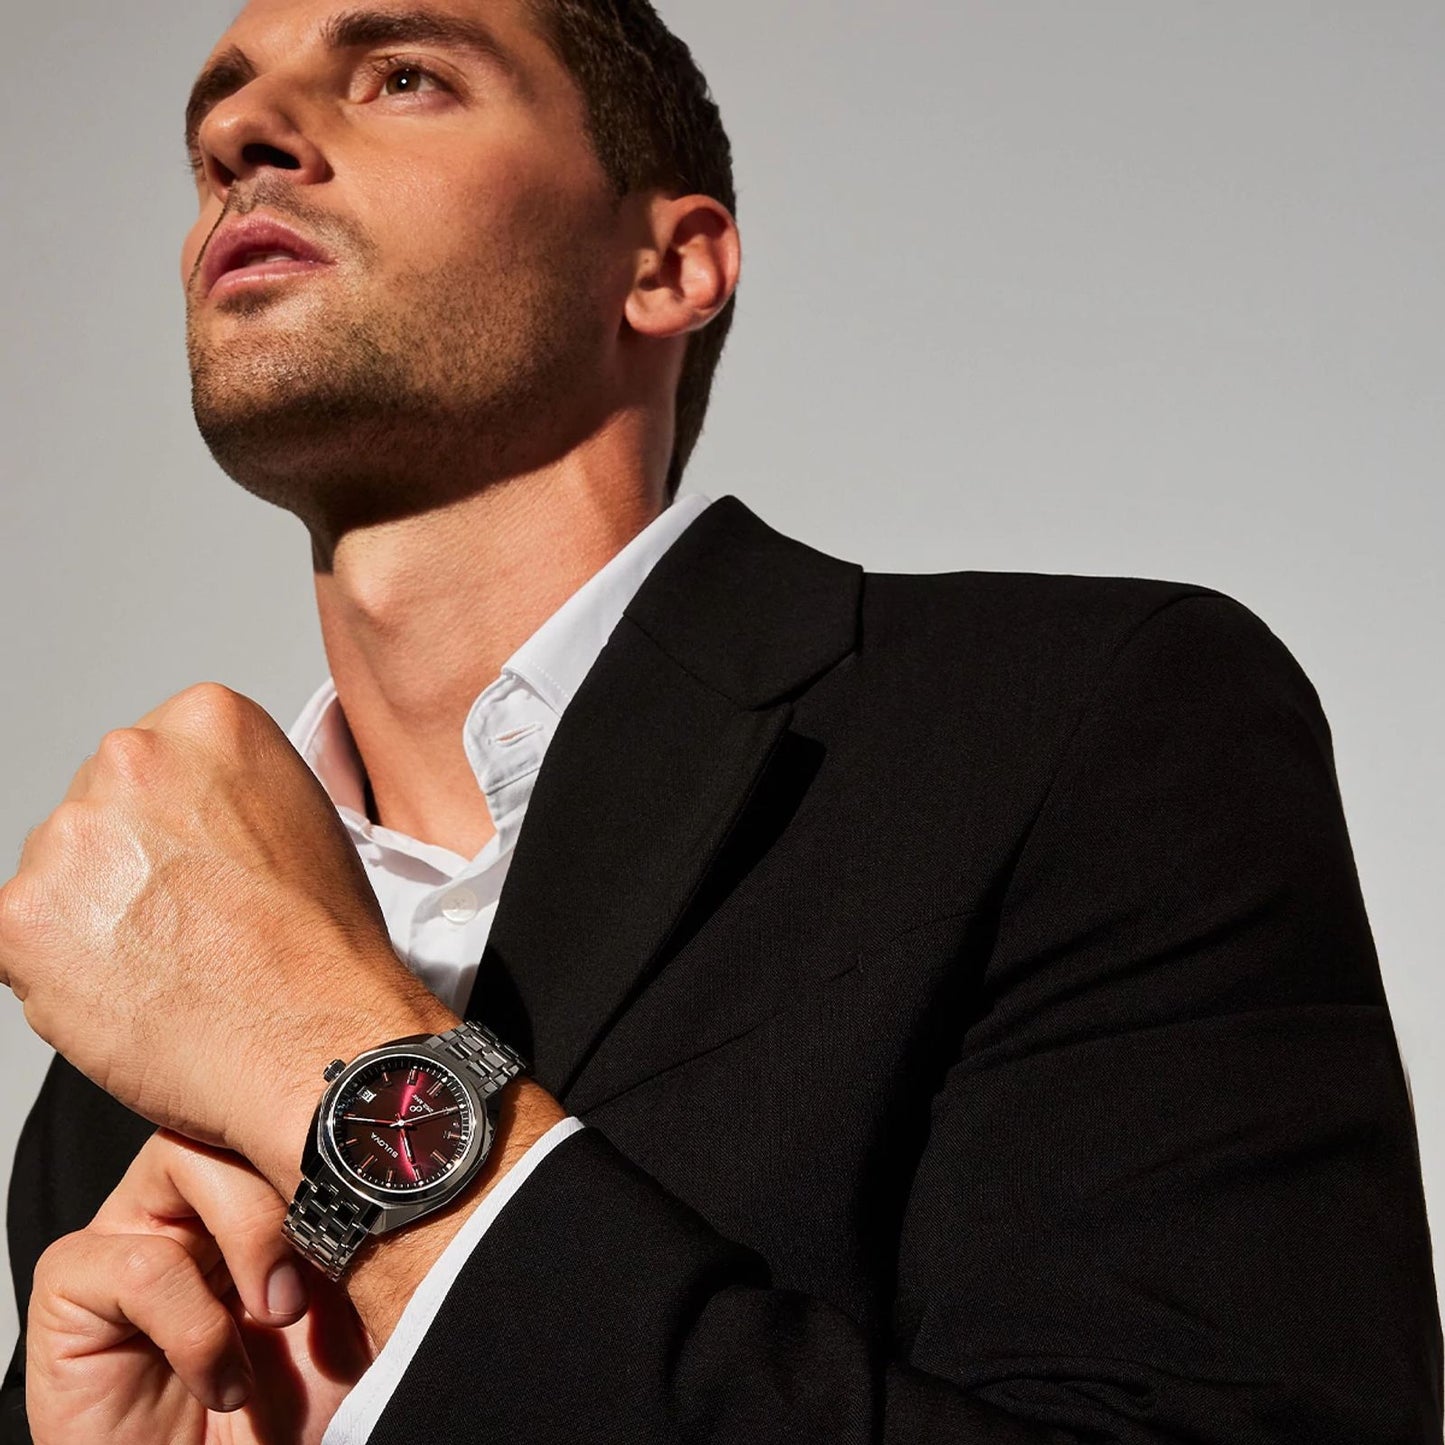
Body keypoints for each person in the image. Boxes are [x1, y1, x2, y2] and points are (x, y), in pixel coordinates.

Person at [2, 0, 1440, 1440]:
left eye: (403, 76)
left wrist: (342, 1079)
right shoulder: (122, 1064)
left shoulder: (1078, 720)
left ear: (669, 263)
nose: (241, 138)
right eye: (219, 122)